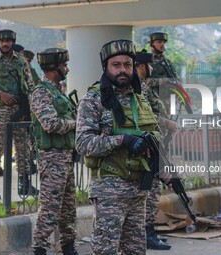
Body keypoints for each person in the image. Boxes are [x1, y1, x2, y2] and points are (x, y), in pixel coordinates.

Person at [75, 39, 157, 255]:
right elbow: (83, 144)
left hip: (138, 191)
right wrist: (121, 140)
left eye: (127, 65)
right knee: (106, 250)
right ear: (106, 67)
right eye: (116, 65)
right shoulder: (92, 100)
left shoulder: (139, 99)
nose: (123, 70)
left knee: (136, 251)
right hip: (109, 191)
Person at [30, 48, 78, 255]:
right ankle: (39, 248)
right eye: (64, 65)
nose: (66, 69)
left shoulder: (58, 91)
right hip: (52, 158)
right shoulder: (41, 92)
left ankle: (68, 246)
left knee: (68, 208)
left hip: (65, 157)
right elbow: (50, 124)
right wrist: (76, 124)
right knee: (50, 207)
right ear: (54, 67)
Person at [0, 29, 36, 199]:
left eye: (8, 41)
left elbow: (30, 85)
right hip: (0, 111)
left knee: (23, 148)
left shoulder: (22, 61)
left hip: (19, 110)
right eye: (2, 41)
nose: (5, 44)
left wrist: (30, 106)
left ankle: (24, 185)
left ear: (12, 42)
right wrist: (0, 94)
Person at [135, 51, 174, 250]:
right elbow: (144, 117)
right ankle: (147, 234)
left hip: (155, 143)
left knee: (153, 192)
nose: (152, 69)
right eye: (150, 66)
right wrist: (164, 122)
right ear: (142, 66)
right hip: (148, 146)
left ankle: (149, 232)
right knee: (150, 193)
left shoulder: (142, 85)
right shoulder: (138, 87)